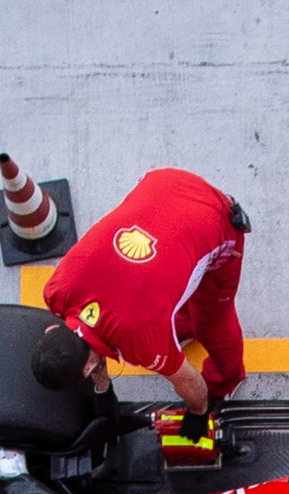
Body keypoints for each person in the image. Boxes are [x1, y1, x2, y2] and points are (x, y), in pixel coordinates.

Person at [32, 168, 251, 440]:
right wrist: (102, 390)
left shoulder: (142, 342)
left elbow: (189, 382)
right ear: (51, 331)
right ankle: (179, 326)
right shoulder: (57, 290)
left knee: (213, 322)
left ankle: (227, 379)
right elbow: (87, 337)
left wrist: (198, 411)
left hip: (216, 218)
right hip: (161, 184)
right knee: (159, 302)